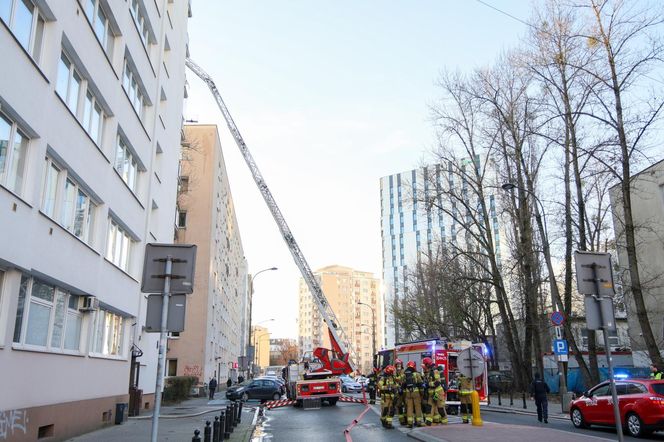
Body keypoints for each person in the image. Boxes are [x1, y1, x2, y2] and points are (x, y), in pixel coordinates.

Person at [421, 357, 448, 425]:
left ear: (427, 364)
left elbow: (438, 382)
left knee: (440, 408)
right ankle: (428, 422)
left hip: (438, 393)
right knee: (429, 407)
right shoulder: (430, 371)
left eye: (425, 364)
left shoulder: (435, 371)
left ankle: (445, 421)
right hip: (431, 394)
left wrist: (428, 384)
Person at [403, 360, 424, 428]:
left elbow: (403, 384)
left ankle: (409, 423)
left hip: (408, 393)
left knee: (409, 408)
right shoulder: (417, 374)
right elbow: (420, 384)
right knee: (417, 407)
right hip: (416, 392)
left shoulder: (405, 374)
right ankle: (418, 422)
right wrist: (422, 393)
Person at [393, 359, 406, 425]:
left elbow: (400, 379)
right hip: (398, 392)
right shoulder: (394, 372)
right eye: (397, 364)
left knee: (406, 405)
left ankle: (406, 419)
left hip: (404, 391)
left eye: (399, 364)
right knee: (399, 406)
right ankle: (402, 420)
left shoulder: (403, 371)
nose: (398, 366)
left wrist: (395, 376)